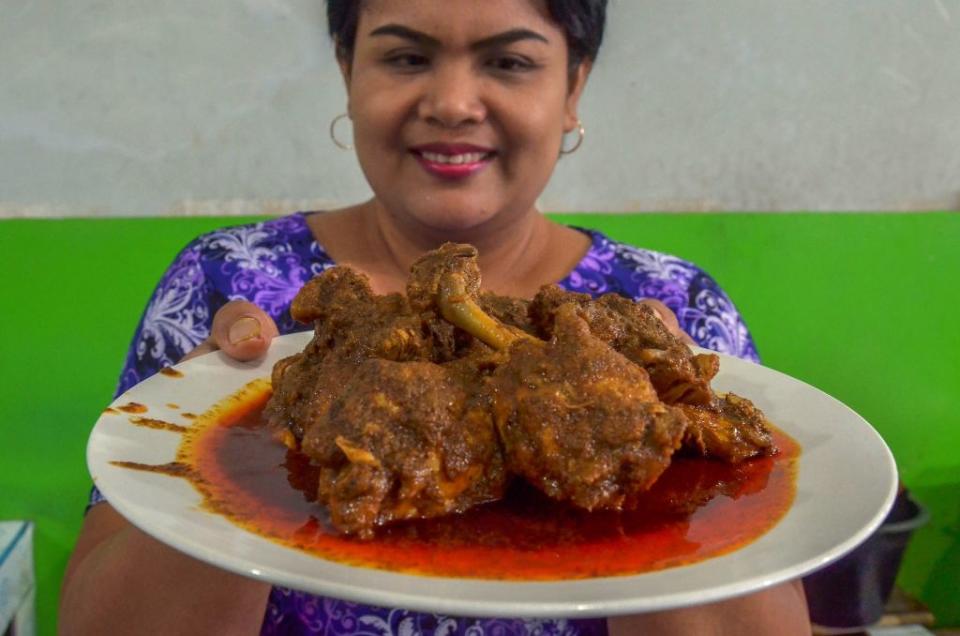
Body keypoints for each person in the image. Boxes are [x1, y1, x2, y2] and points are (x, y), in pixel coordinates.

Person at [60, 1, 811, 634]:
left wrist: (653, 427)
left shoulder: (670, 313)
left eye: (509, 62)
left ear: (574, 85)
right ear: (346, 71)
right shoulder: (226, 285)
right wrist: (217, 435)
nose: (452, 103)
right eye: (406, 58)